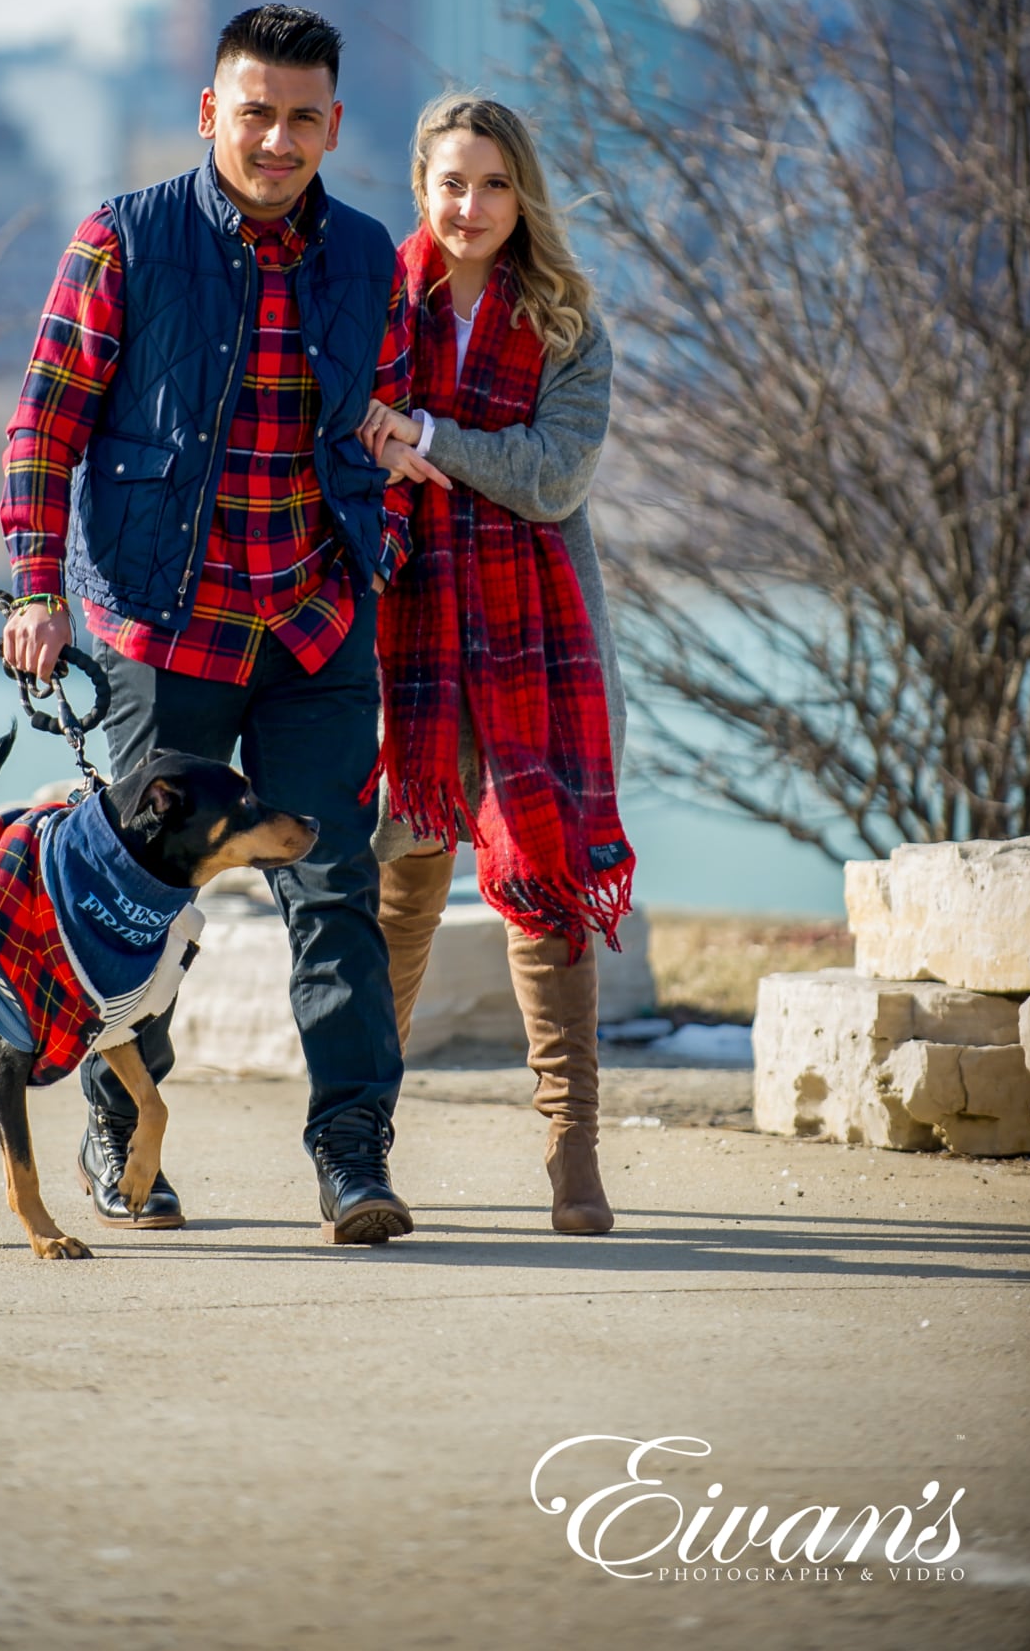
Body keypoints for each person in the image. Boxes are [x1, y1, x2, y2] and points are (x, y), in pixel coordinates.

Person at [0, 2, 447, 1246]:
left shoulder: (368, 261)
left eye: (304, 116)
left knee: (334, 887)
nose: (278, 137)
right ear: (211, 113)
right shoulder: (123, 240)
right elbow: (47, 423)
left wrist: (382, 552)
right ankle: (120, 1127)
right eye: (255, 111)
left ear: (334, 126)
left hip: (312, 632)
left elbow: (391, 434)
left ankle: (354, 1159)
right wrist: (38, 585)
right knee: (142, 912)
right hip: (163, 634)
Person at [360, 92, 633, 1235]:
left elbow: (551, 477)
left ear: (523, 194)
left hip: (540, 640)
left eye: (494, 184)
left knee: (546, 876)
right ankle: (361, 1136)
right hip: (405, 633)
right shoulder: (371, 304)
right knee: (404, 868)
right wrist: (425, 448)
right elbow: (342, 433)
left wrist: (423, 439)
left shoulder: (568, 323)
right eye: (451, 182)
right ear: (422, 186)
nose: (471, 205)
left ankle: (573, 1152)